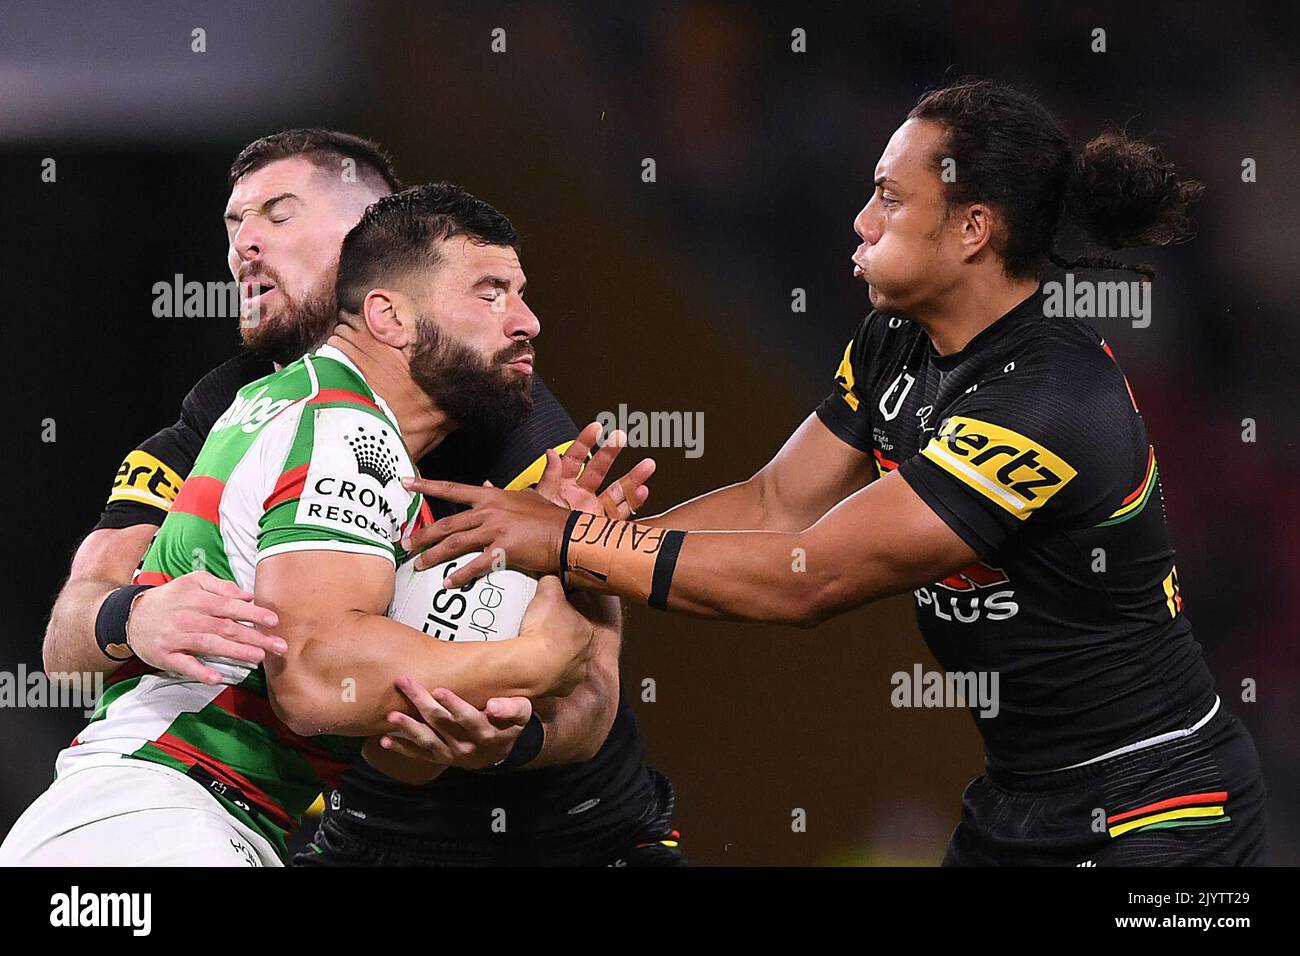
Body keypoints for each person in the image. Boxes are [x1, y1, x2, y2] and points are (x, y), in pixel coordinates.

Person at [405, 79, 1268, 866]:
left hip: (1162, 809)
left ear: (974, 229)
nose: (861, 219)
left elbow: (809, 578)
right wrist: (583, 543)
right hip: (1021, 802)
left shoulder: (1051, 397)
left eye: (891, 199)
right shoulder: (895, 343)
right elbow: (777, 503)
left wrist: (569, 545)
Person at [37, 130, 682, 867]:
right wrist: (132, 614)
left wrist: (509, 731)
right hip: (246, 819)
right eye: (233, 224)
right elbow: (71, 642)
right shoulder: (248, 410)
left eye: (277, 217)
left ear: (368, 244)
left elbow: (588, 686)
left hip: (562, 834)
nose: (244, 244)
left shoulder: (499, 409)